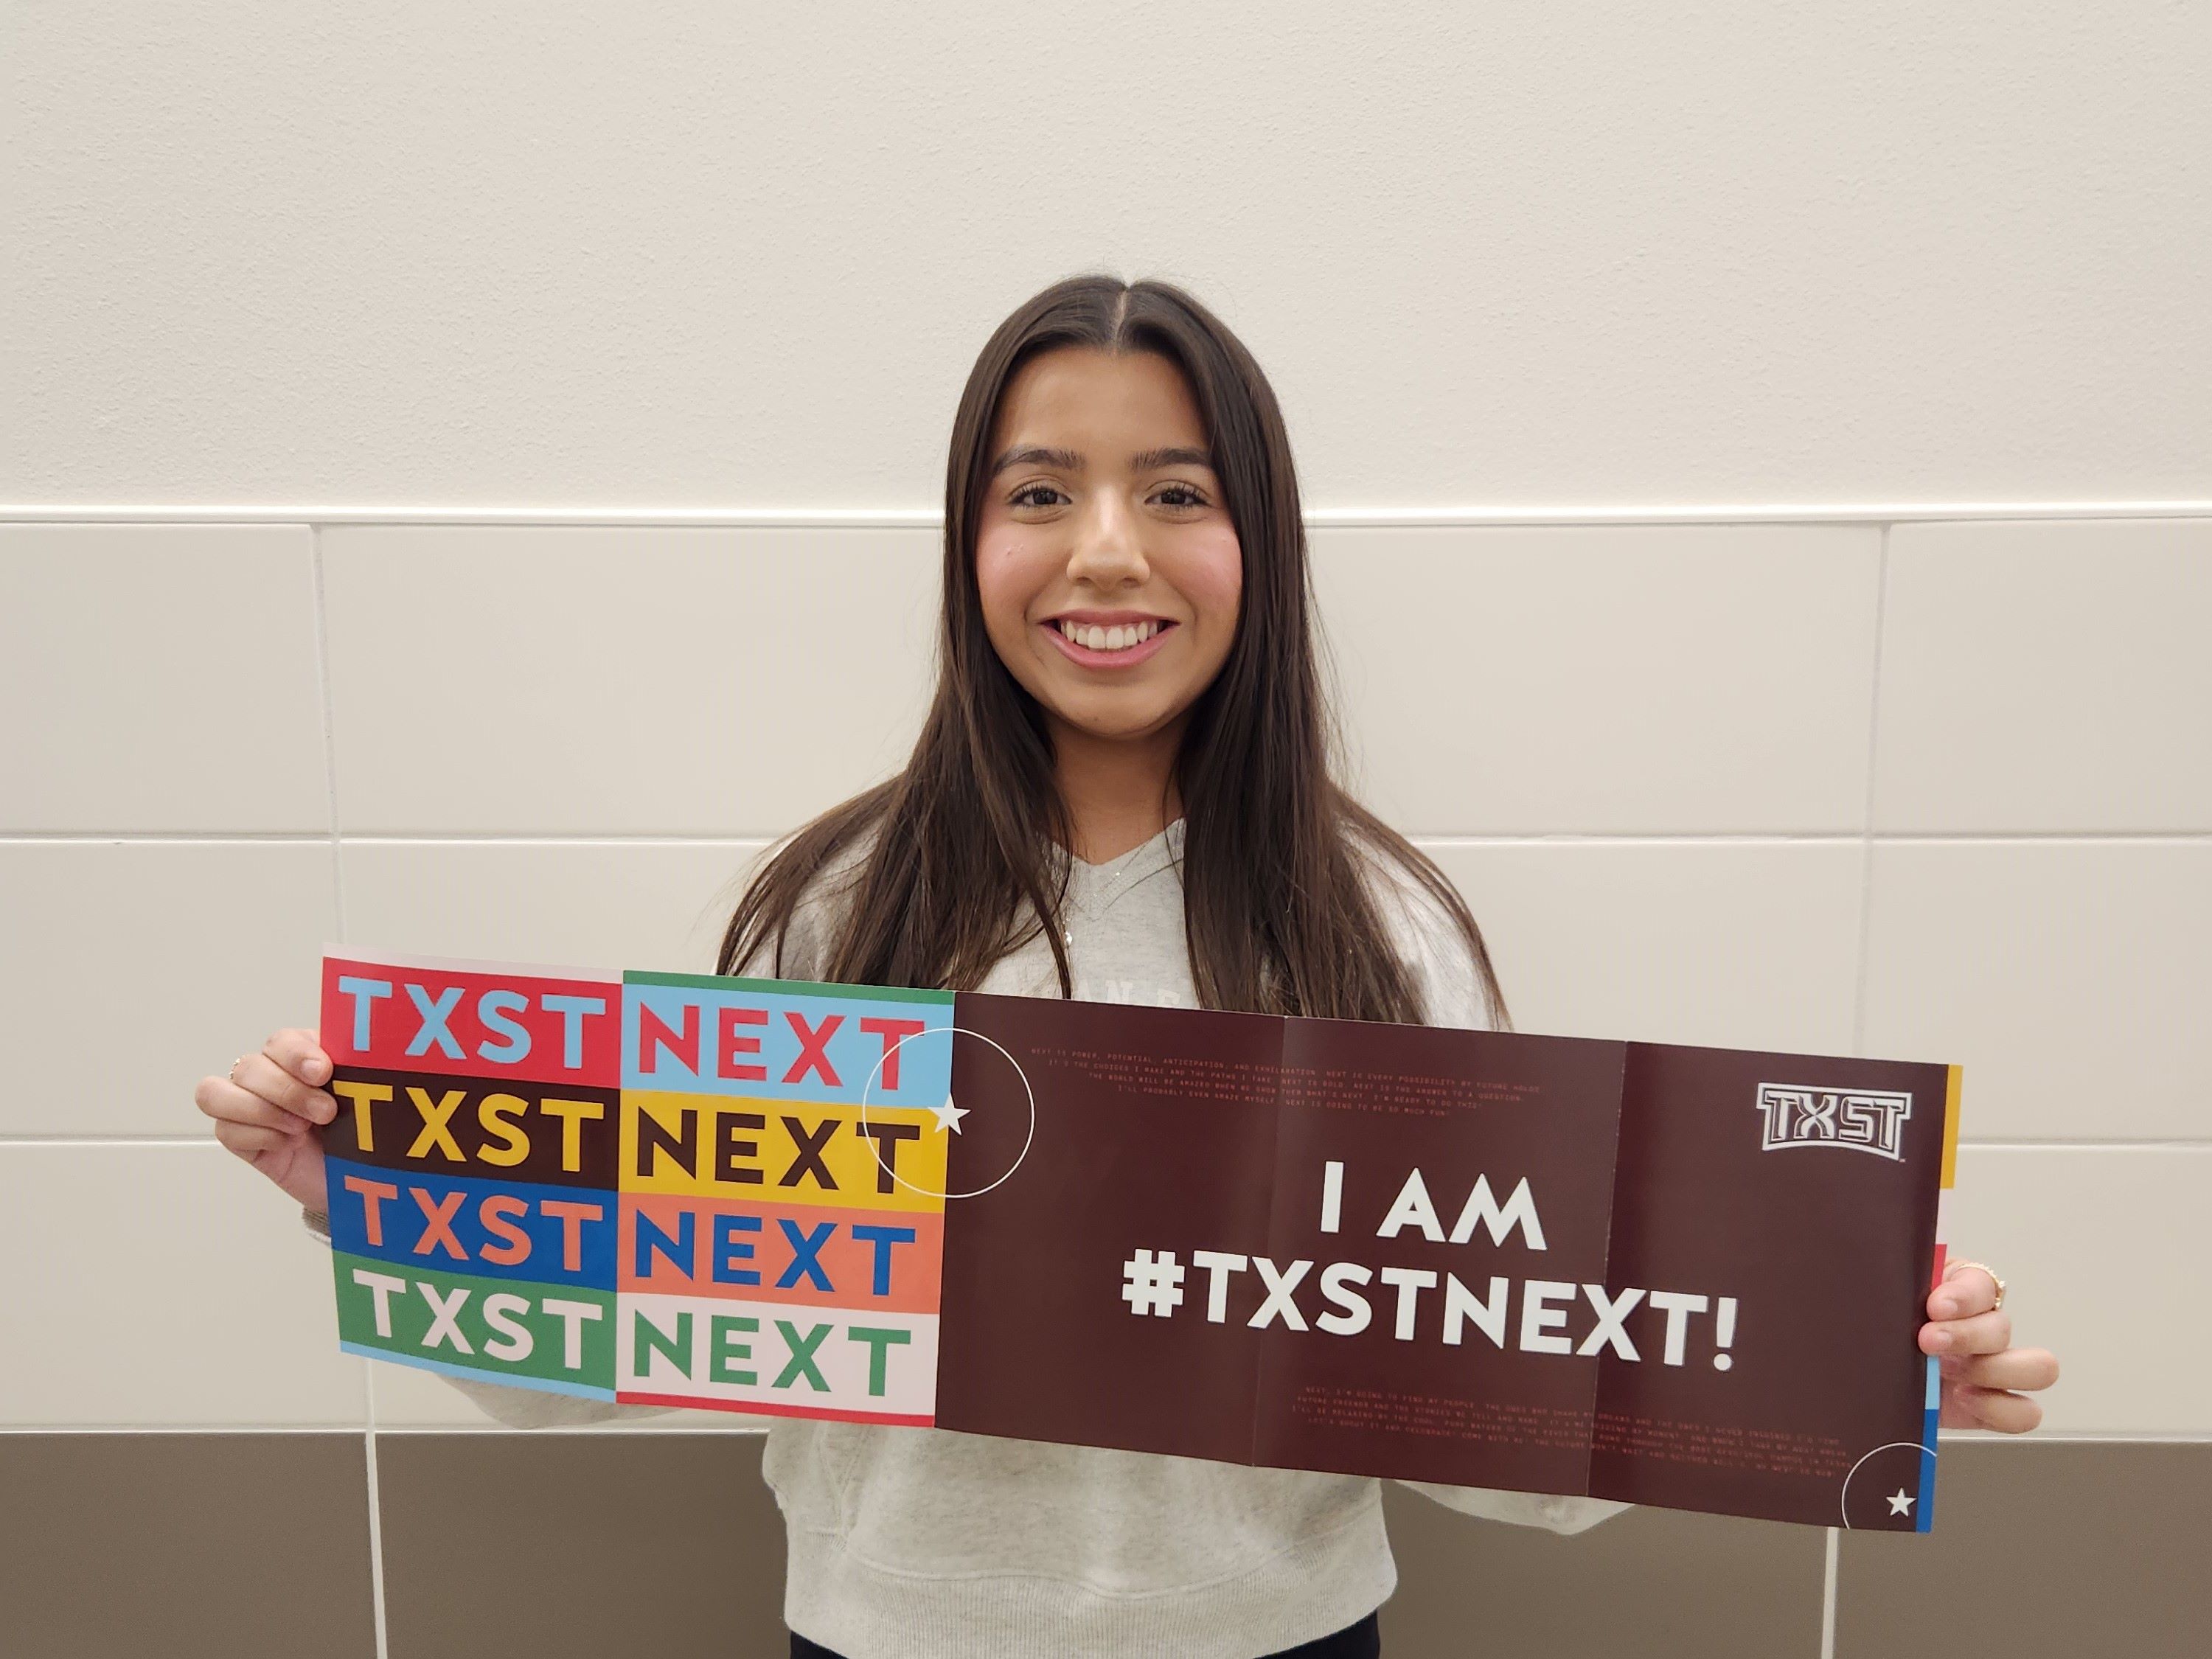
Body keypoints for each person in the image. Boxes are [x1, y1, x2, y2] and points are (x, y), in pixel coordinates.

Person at [194, 275, 2060, 1659]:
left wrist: (1852, 1380)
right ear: (968, 543)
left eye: (1176, 491)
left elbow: (1516, 1407)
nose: (1106, 552)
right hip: (886, 1641)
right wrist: (373, 1196)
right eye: (1038, 493)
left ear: (1261, 541)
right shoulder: (850, 914)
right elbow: (642, 1348)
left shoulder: (1375, 938)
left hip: (1281, 1646)